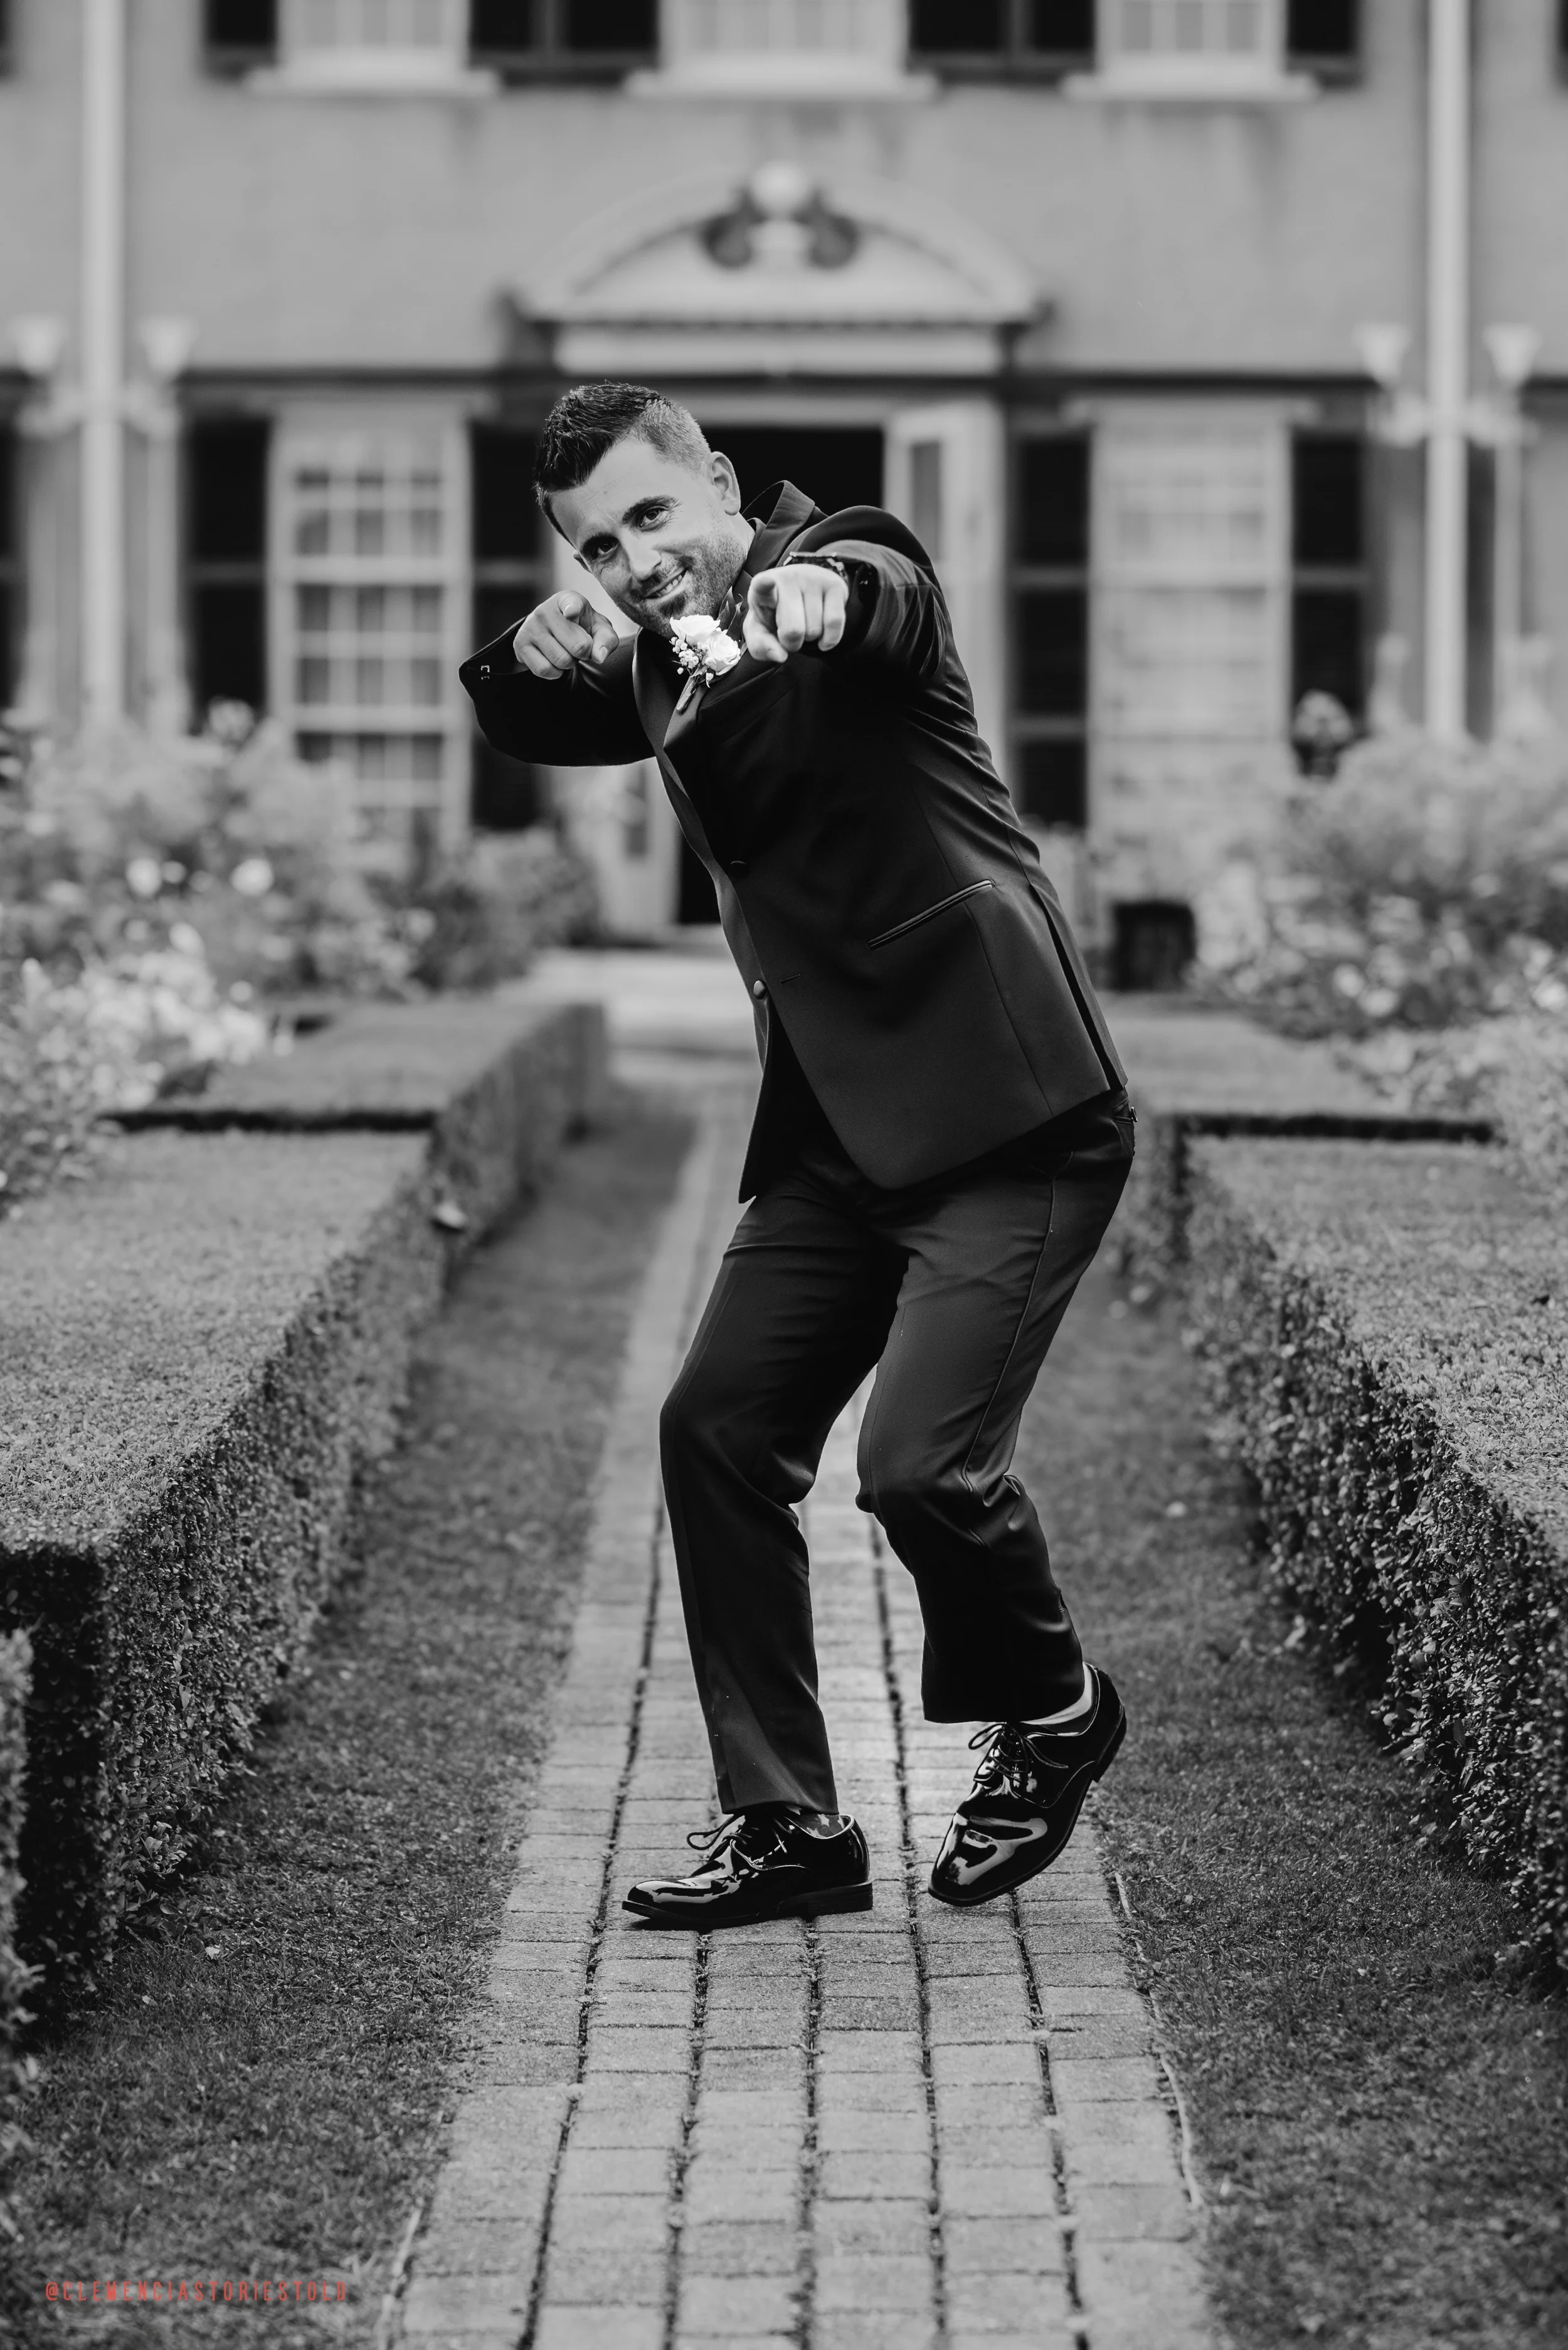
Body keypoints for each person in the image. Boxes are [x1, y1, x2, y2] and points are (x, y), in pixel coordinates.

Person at [461, 381, 1135, 1930]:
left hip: (1007, 1113)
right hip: (836, 1132)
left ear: (717, 479)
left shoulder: (838, 567)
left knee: (917, 1469)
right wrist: (528, 648)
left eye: (651, 515)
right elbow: (527, 714)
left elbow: (878, 590)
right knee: (713, 1428)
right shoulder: (656, 657)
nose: (636, 561)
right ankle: (788, 1823)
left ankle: (1055, 1714)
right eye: (597, 546)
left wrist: (820, 592)